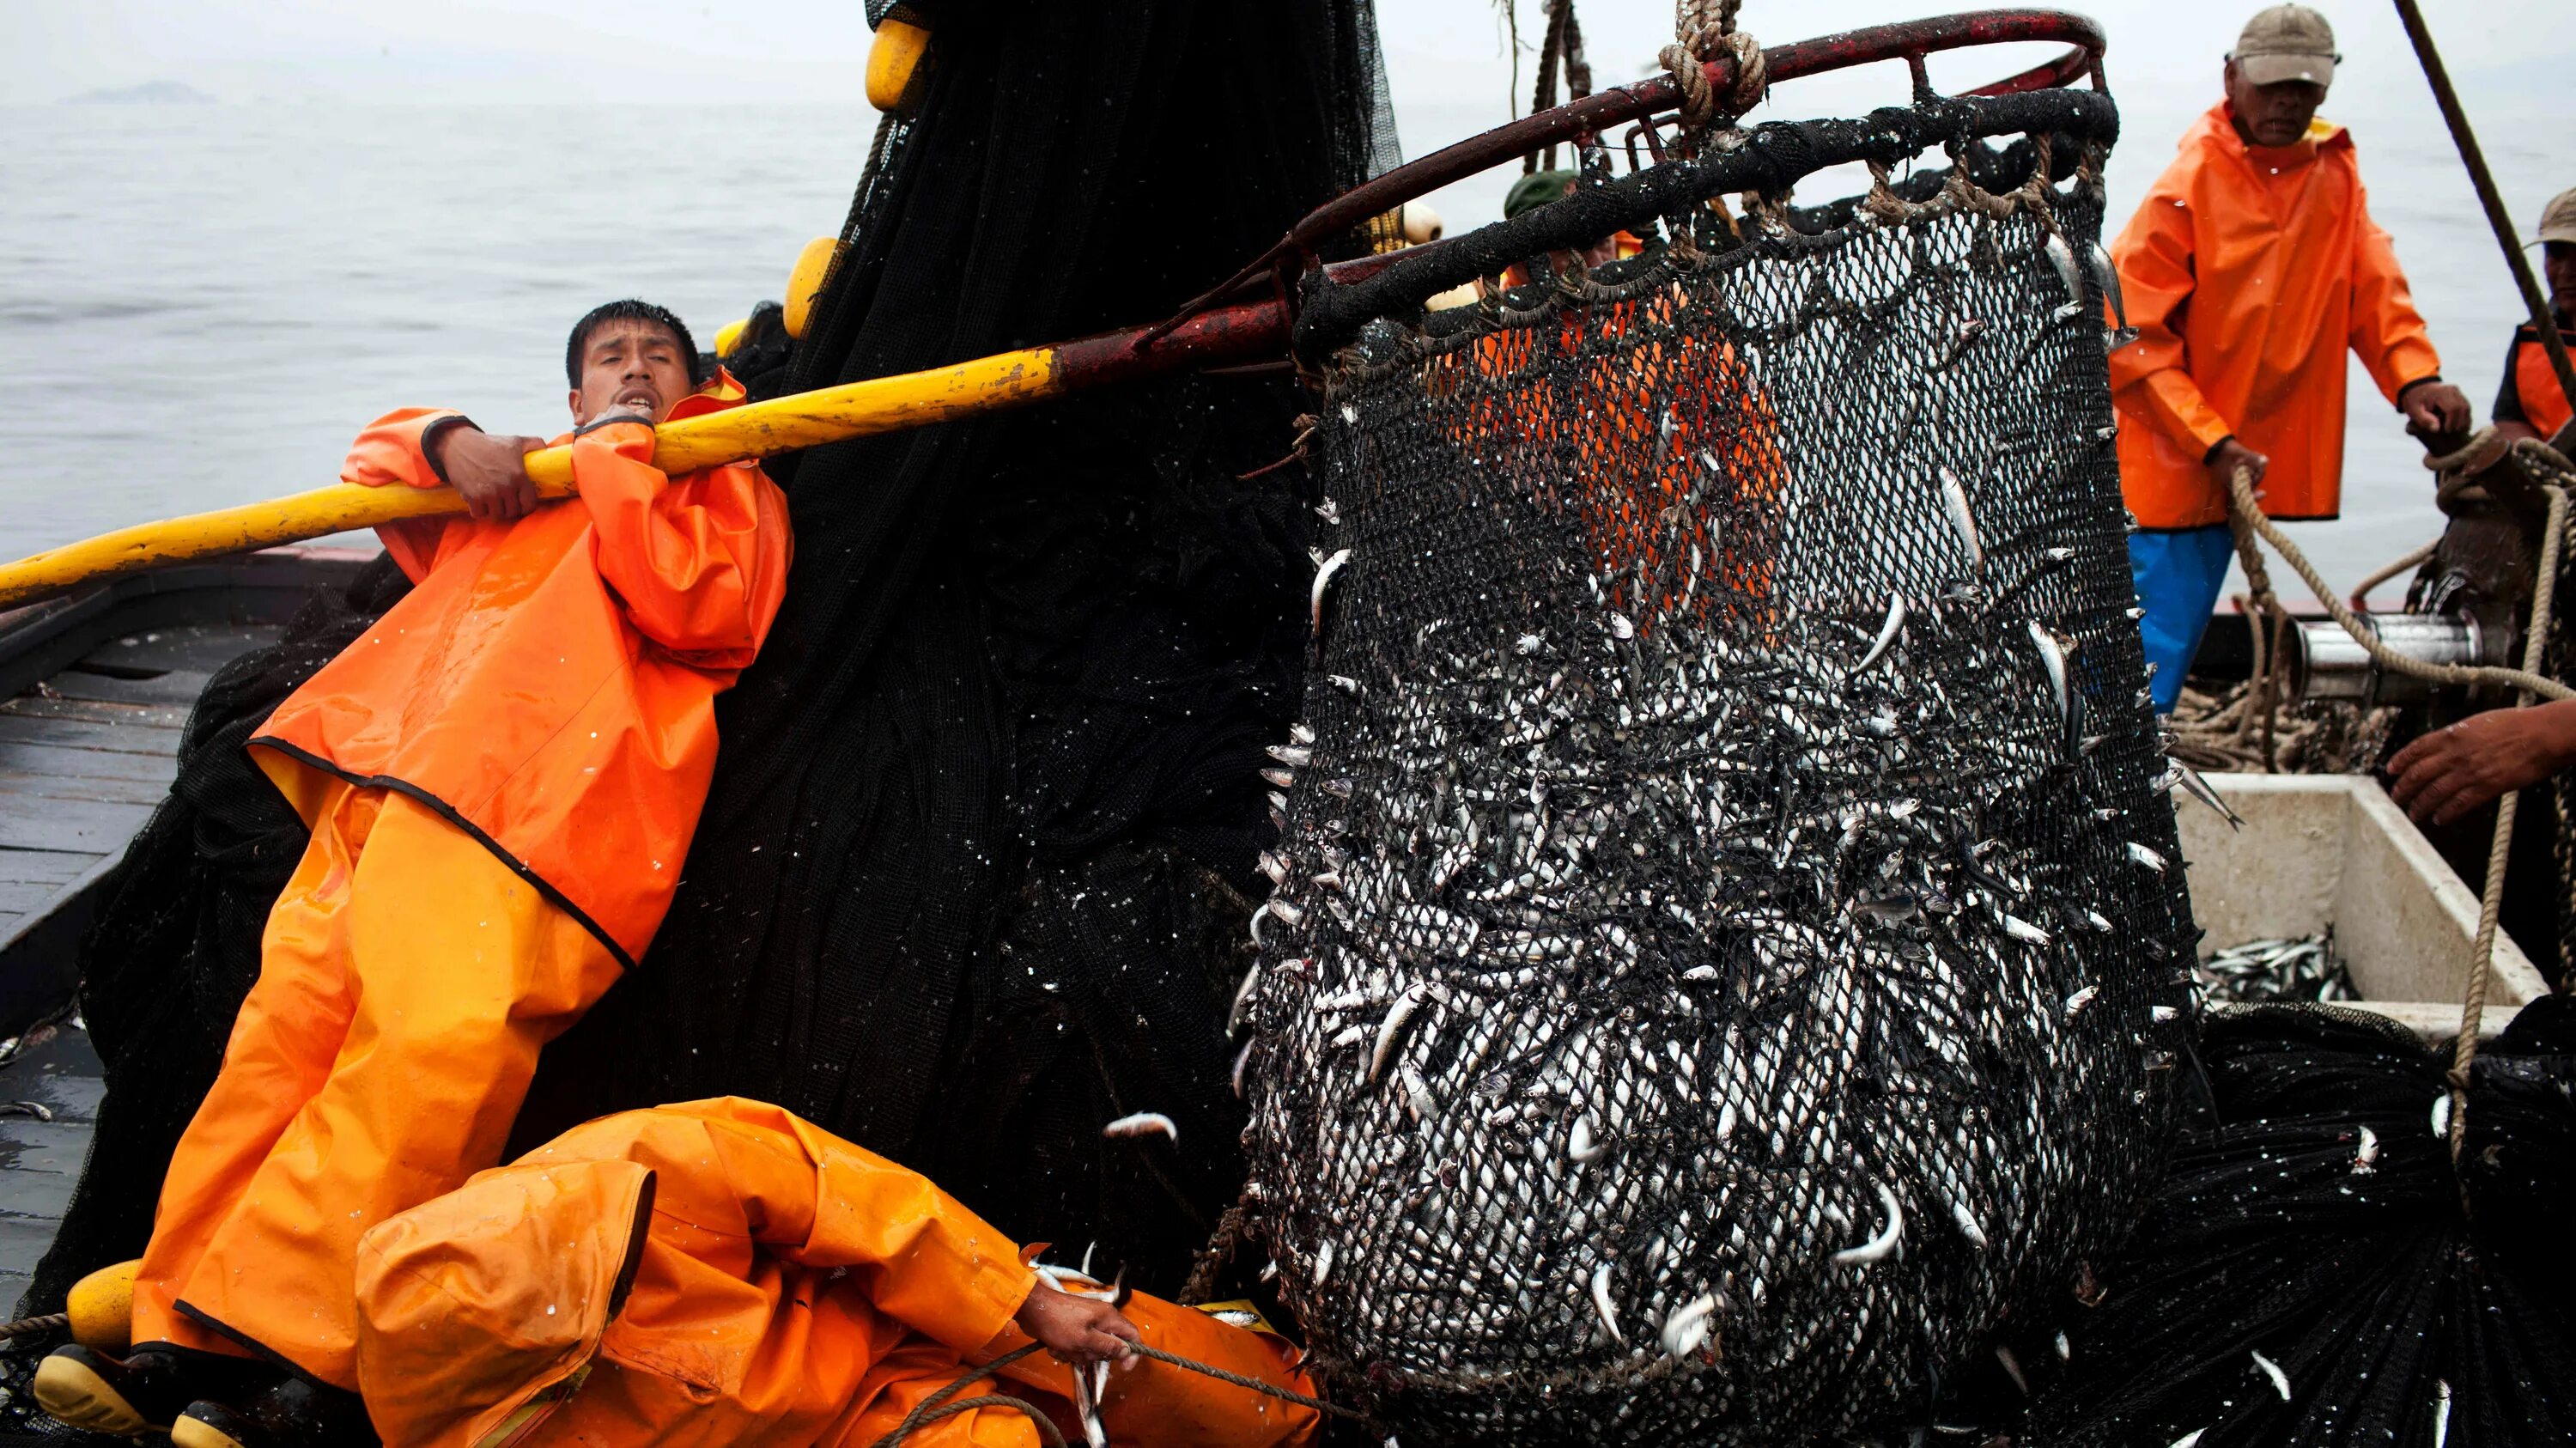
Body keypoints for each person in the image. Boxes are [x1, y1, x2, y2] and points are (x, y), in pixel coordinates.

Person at [33, 301, 793, 1445]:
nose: (634, 372)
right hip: (379, 789)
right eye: (608, 361)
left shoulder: (718, 475)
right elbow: (377, 457)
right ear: (572, 393)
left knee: (423, 1068)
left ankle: (319, 1368)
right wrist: (451, 439)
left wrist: (625, 458)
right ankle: (177, 1338)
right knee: (277, 1054)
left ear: (698, 387)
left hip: (536, 814)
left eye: (658, 359)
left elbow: (705, 610)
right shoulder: (523, 481)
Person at [346, 1098, 1320, 1448]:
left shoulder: (633, 1163)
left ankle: (1297, 1399)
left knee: (1184, 1381)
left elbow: (852, 1203)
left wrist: (1024, 1300)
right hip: (837, 1436)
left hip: (902, 1327)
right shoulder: (466, 1427)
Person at [2111, 4, 2473, 712]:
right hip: (2167, 479)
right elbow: (2127, 338)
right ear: (2231, 77)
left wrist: (2415, 377)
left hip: (2236, 468)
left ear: (2327, 88)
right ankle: (2100, 805)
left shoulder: (2334, 176)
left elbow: (2373, 286)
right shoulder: (2186, 186)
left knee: (2157, 668)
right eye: (2272, 85)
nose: (2286, 103)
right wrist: (2209, 440)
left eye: (2303, 88)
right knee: (2136, 679)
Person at [2492, 186, 2576, 447]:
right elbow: (2509, 419)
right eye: (2556, 254)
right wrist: (2535, 460)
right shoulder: (2533, 336)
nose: (2566, 272)